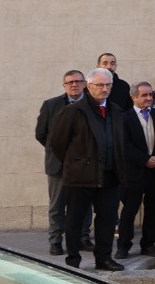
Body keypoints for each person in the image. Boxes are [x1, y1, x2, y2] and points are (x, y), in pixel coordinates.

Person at [47, 68, 126, 271]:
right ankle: (73, 261)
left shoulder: (116, 110)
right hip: (81, 176)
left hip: (109, 175)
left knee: (107, 219)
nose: (104, 89)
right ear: (88, 86)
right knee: (75, 219)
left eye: (108, 85)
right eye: (100, 85)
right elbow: (57, 143)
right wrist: (76, 163)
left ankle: (104, 258)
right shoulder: (74, 111)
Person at [37, 70, 90, 257]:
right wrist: (60, 152)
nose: (74, 85)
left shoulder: (91, 104)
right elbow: (41, 134)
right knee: (57, 205)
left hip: (84, 165)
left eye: (78, 81)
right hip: (58, 164)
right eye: (70, 82)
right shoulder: (51, 105)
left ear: (85, 84)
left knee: (84, 204)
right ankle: (56, 241)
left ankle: (83, 238)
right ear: (64, 85)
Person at [115, 83, 155, 260]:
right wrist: (144, 159)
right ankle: (123, 246)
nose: (148, 98)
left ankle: (149, 244)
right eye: (144, 95)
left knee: (153, 209)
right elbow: (124, 144)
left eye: (150, 95)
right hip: (134, 172)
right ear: (133, 97)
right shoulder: (124, 118)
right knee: (130, 209)